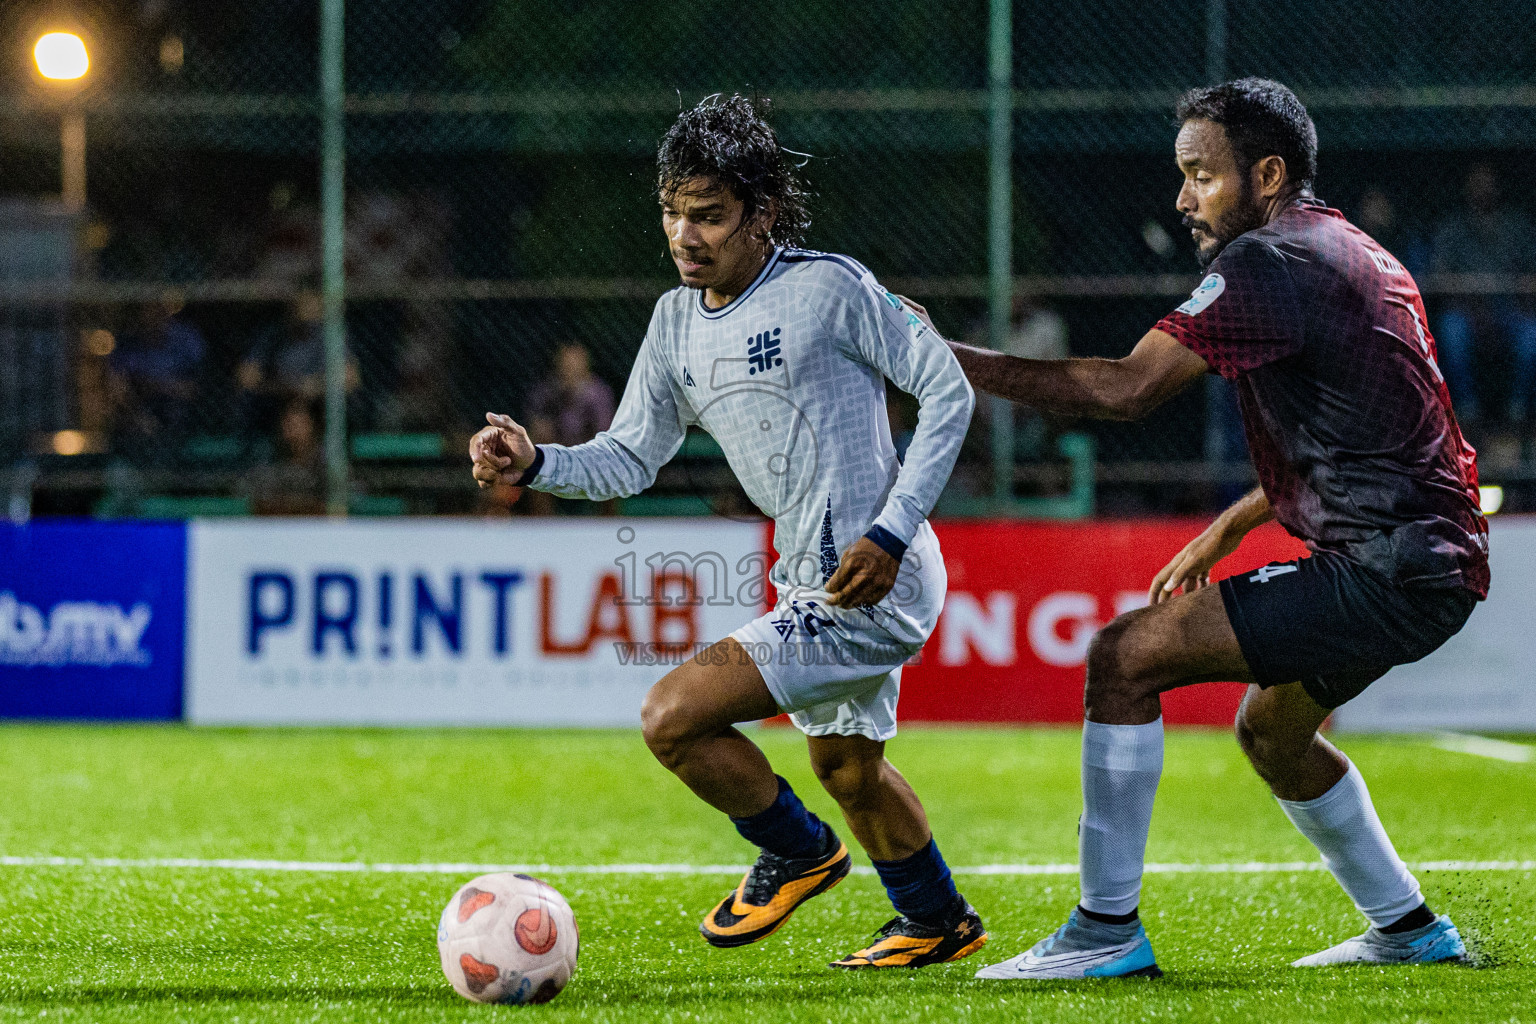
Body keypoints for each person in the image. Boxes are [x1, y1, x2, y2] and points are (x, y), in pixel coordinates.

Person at [920, 78, 1487, 979]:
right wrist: (1235, 522)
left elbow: (1126, 389)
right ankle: (1411, 928)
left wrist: (945, 359)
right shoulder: (1356, 252)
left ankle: (1104, 930)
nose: (1184, 199)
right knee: (1272, 732)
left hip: (1383, 570)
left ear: (1267, 173)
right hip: (1428, 563)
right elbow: (1388, 434)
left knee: (1124, 656)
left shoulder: (1270, 261)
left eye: (1200, 175)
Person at [470, 95, 985, 968]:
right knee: (850, 772)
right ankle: (935, 918)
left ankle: (795, 849)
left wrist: (892, 532)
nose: (685, 234)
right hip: (811, 584)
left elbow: (950, 391)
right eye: (673, 212)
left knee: (673, 716)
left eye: (708, 215)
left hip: (874, 579)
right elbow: (631, 456)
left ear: (762, 215)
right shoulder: (676, 321)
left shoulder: (831, 286)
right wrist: (535, 464)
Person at [1430, 166, 1536, 422]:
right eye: (1477, 185)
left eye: (1488, 184)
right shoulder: (1452, 229)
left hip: (1510, 310)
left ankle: (1518, 409)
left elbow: (1531, 276)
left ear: (1498, 189)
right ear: (1467, 191)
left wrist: (1520, 296)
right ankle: (1467, 410)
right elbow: (1439, 278)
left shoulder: (1517, 227)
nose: (1483, 191)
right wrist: (1469, 299)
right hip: (1466, 311)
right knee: (1451, 331)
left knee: (1531, 335)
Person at [522, 343, 617, 515]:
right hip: (556, 452)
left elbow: (604, 430)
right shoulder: (547, 392)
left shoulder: (598, 393)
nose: (571, 367)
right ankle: (542, 522)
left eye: (575, 362)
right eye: (567, 363)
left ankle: (607, 522)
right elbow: (538, 426)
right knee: (534, 458)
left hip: (590, 452)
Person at [108, 297, 206, 458]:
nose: (152, 314)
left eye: (157, 308)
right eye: (145, 309)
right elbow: (119, 391)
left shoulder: (186, 338)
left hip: (181, 413)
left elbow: (196, 387)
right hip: (141, 413)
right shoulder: (127, 343)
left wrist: (152, 385)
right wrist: (139, 415)